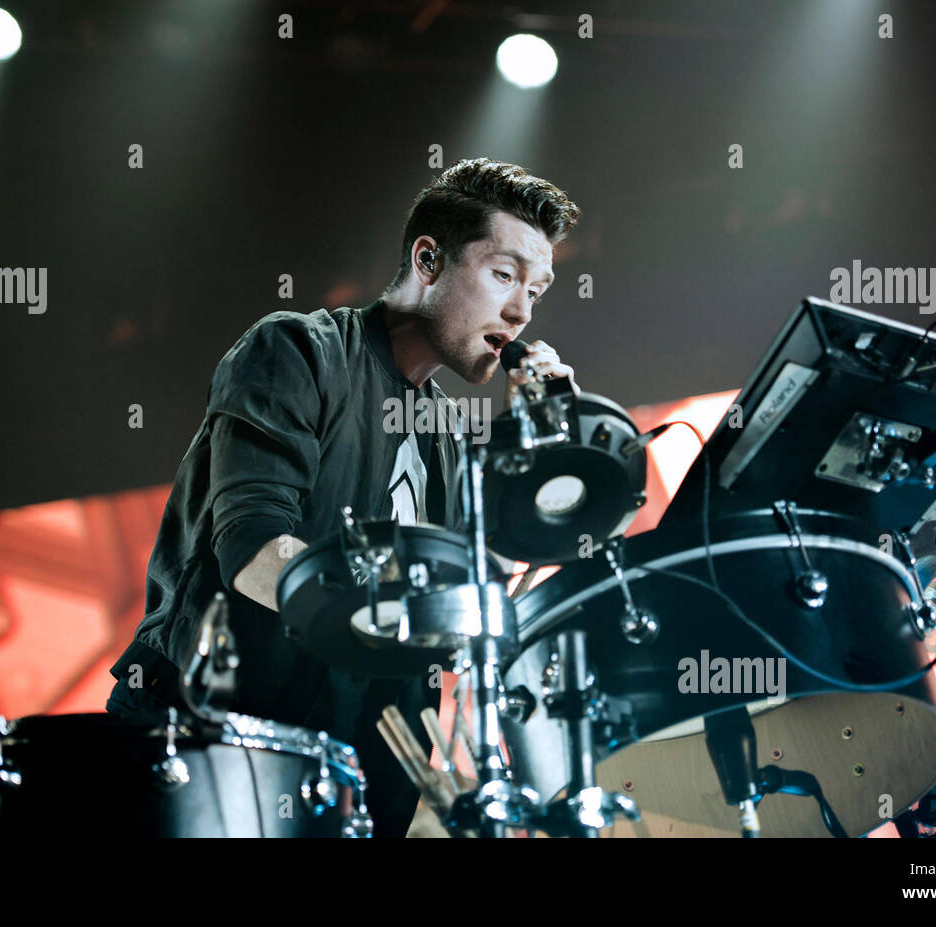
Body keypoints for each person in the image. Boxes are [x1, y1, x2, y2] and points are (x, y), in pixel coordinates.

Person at [105, 157, 581, 837]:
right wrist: (394, 611)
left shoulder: (448, 434)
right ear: (428, 259)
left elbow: (481, 593)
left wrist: (539, 452)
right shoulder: (298, 351)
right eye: (504, 275)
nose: (521, 310)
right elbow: (254, 549)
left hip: (358, 781)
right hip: (210, 752)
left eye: (538, 290)